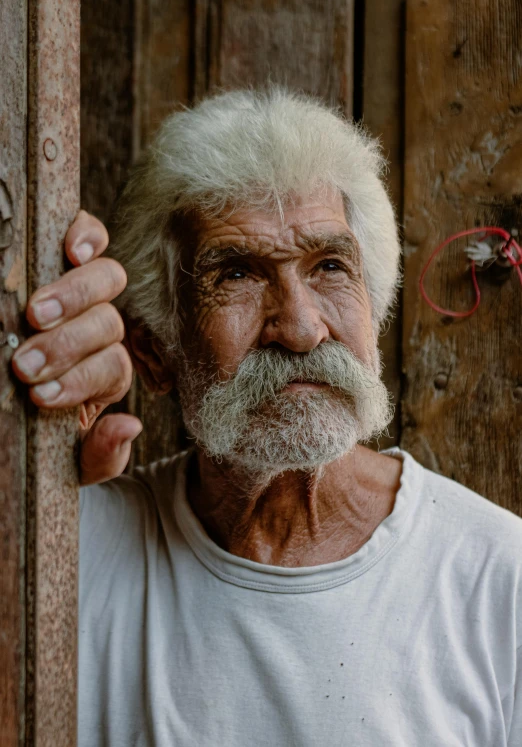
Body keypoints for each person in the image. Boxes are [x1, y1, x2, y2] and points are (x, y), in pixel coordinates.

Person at [12, 89, 522, 746]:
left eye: (330, 265)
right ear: (154, 350)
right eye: (238, 274)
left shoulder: (498, 578)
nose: (303, 328)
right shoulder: (68, 553)